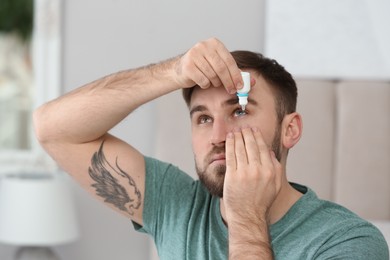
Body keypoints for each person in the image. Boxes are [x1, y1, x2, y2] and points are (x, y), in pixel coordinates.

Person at [33, 38, 389, 259]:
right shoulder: (176, 206)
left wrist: (246, 216)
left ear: (289, 129)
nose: (217, 135)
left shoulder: (350, 243)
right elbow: (52, 129)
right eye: (202, 118)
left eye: (239, 111)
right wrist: (173, 72)